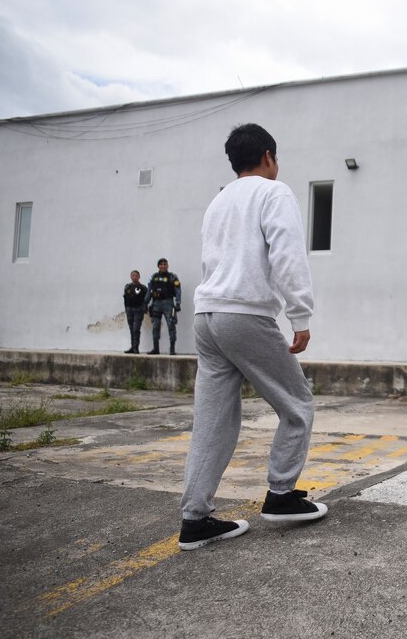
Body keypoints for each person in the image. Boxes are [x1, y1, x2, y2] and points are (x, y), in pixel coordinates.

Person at [178, 122, 325, 551]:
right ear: (267, 156)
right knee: (296, 403)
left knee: (213, 422)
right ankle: (280, 495)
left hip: (206, 318)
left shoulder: (219, 200)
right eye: (276, 159)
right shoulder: (273, 192)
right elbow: (287, 255)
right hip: (244, 315)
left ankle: (194, 520)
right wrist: (300, 316)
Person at [145, 258, 181, 355]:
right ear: (158, 266)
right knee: (155, 326)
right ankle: (155, 349)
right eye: (161, 264)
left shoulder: (172, 277)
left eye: (165, 264)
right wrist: (145, 303)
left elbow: (178, 291)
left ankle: (172, 349)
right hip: (156, 303)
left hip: (168, 303)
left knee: (171, 326)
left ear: (167, 266)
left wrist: (178, 303)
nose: (163, 266)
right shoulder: (153, 277)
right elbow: (149, 290)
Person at [122, 270, 147, 354]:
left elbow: (146, 299)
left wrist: (144, 308)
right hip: (129, 310)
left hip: (138, 310)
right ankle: (132, 347)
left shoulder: (143, 288)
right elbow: (125, 298)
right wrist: (126, 308)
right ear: (131, 277)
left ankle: (136, 347)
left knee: (136, 329)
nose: (134, 277)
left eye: (136, 275)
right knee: (131, 329)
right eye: (133, 275)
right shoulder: (127, 287)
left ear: (139, 277)